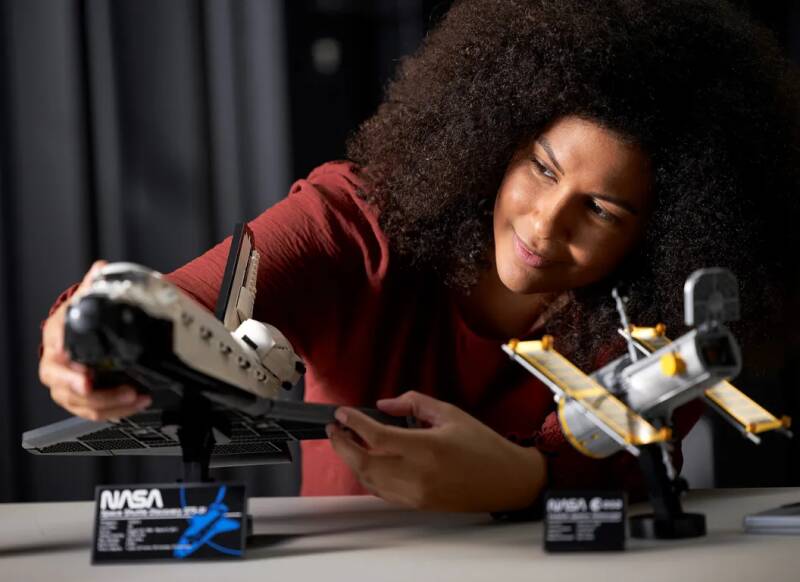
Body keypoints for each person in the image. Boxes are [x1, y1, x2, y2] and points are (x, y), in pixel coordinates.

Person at [37, 0, 799, 513]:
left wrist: (520, 478)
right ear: (501, 135)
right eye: (541, 168)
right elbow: (179, 299)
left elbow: (620, 471)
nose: (545, 224)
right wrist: (83, 339)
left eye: (600, 210)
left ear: (662, 233)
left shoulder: (663, 318)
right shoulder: (358, 219)